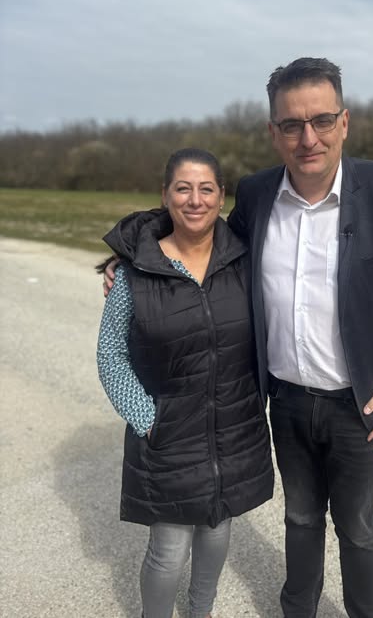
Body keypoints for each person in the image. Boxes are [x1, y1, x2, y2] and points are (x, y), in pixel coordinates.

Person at [104, 58, 373, 618]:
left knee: (359, 525)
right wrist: (133, 257)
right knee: (300, 517)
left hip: (360, 403)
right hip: (284, 401)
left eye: (321, 120)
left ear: (344, 122)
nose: (308, 138)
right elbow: (196, 223)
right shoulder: (258, 194)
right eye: (292, 124)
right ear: (274, 131)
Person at [96, 147, 274, 618]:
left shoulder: (245, 260)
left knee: (217, 527)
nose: (195, 200)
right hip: (170, 432)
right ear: (165, 195)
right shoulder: (135, 273)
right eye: (183, 188)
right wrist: (148, 419)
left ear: (221, 197)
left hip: (233, 427)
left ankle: (201, 611)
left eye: (206, 189)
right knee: (169, 550)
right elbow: (111, 355)